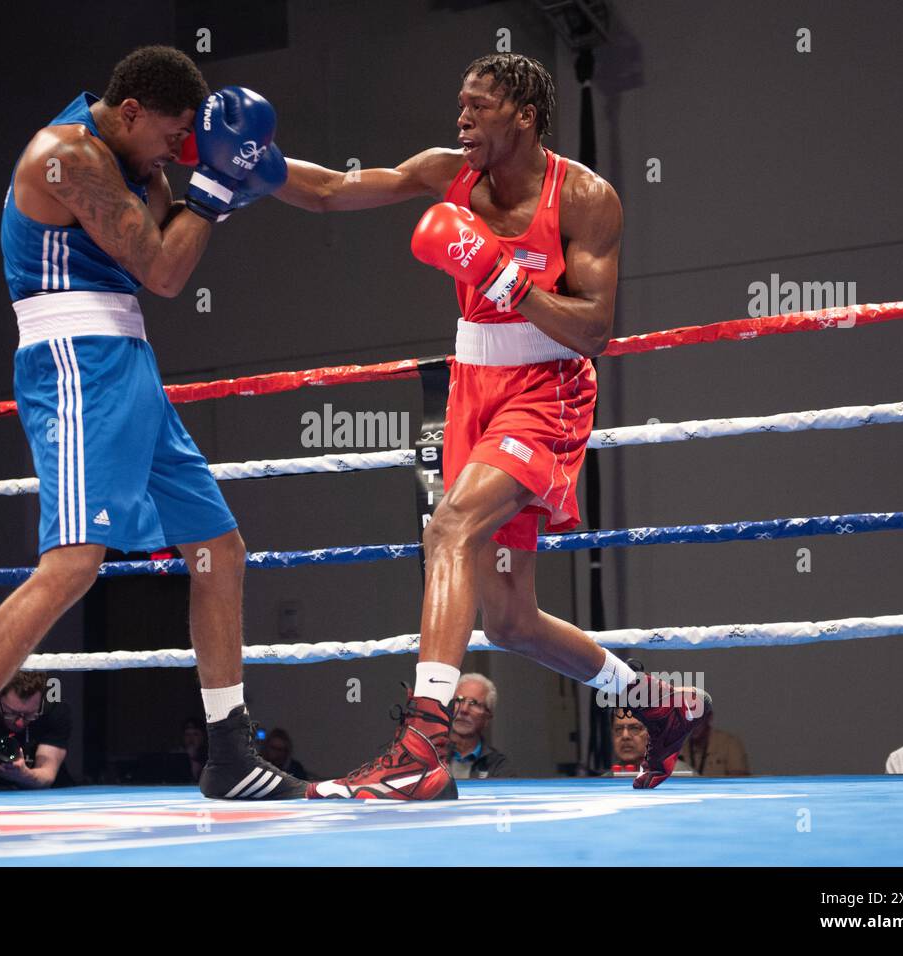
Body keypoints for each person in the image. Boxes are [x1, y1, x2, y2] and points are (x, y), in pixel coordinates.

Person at [276, 53, 710, 799]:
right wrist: (247, 165)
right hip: (472, 388)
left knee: (449, 527)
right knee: (510, 620)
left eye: (478, 106)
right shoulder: (449, 172)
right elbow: (334, 190)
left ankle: (421, 745)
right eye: (460, 105)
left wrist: (507, 278)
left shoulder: (584, 196)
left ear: (524, 116)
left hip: (546, 389)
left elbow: (595, 329)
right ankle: (657, 703)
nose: (462, 119)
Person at [0, 45, 304, 813]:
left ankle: (228, 752)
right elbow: (168, 271)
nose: (178, 154)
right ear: (130, 112)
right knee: (76, 562)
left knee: (218, 549)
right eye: (173, 136)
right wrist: (213, 190)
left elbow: (174, 239)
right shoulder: (69, 156)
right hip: (77, 360)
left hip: (129, 361)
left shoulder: (135, 162)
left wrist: (231, 180)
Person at [0, 672, 71, 790]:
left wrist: (24, 775)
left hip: (43, 796)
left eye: (29, 714)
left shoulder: (54, 710)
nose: (19, 723)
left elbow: (47, 775)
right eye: (11, 713)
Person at [447, 673, 512, 779]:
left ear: (487, 717)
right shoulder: (430, 756)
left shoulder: (498, 766)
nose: (464, 710)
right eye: (459, 700)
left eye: (473, 703)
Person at [679, 715, 750, 776]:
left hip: (722, 791)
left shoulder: (729, 743)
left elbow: (740, 779)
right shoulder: (680, 747)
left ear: (709, 717)